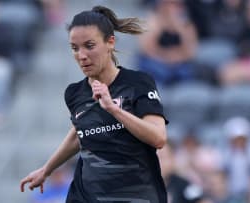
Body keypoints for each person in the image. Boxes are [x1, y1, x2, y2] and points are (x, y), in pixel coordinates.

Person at [20, 5, 168, 203]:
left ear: (110, 42)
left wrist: (114, 109)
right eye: (75, 48)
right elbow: (79, 134)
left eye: (89, 46)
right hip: (86, 196)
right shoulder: (74, 93)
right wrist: (47, 170)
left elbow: (158, 138)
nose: (81, 55)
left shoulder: (138, 83)